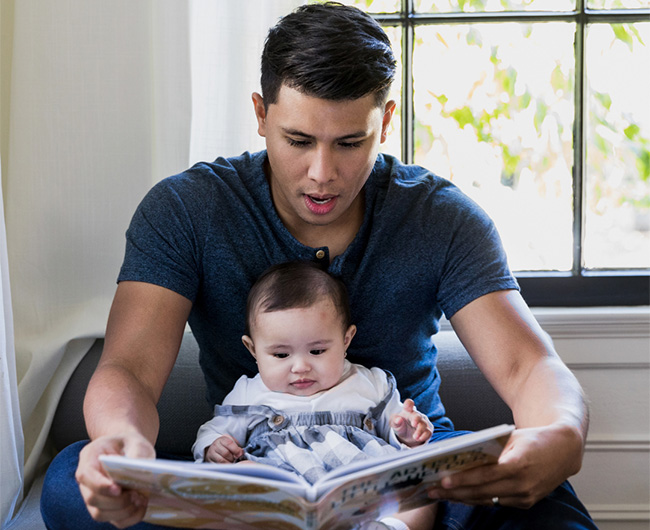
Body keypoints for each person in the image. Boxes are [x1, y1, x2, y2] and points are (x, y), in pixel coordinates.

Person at [41, 2, 598, 529]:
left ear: (385, 123)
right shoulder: (186, 210)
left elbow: (529, 367)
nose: (321, 173)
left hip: (413, 486)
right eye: (299, 140)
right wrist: (121, 443)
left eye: (350, 142)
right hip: (253, 478)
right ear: (261, 114)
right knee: (73, 480)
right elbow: (129, 370)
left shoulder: (443, 218)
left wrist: (562, 432)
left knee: (547, 502)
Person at [193, 260, 436, 530]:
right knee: (234, 478)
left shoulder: (369, 381)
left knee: (420, 485)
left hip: (360, 485)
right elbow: (214, 430)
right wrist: (213, 446)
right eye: (281, 355)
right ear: (253, 350)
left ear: (346, 339)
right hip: (280, 492)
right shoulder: (249, 391)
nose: (300, 367)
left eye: (317, 351)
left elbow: (394, 426)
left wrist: (407, 432)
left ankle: (390, 527)